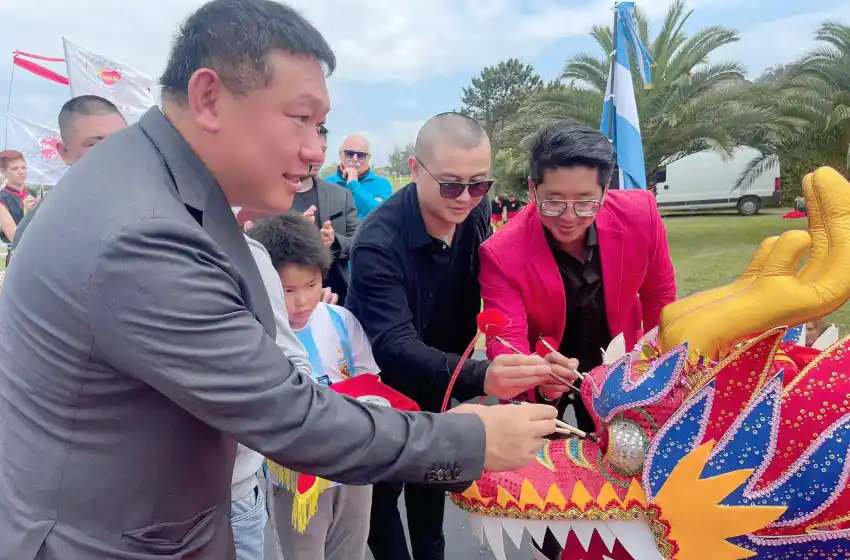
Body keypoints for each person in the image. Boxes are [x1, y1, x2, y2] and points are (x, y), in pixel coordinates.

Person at [0, 2, 557, 558]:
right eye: (300, 119)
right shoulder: (142, 232)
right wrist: (472, 439)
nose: (316, 152)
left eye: (322, 127)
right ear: (210, 98)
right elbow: (291, 418)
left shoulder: (156, 188)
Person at [346, 112, 557, 560]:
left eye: (479, 184)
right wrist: (482, 377)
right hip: (383, 393)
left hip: (443, 386)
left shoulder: (476, 213)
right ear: (415, 168)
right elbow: (394, 347)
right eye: (451, 185)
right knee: (382, 507)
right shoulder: (376, 244)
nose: (465, 198)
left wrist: (530, 354)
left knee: (431, 503)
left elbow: (502, 284)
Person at [478, 121, 677, 559]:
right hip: (549, 375)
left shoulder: (641, 213)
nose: (569, 217)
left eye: (586, 202)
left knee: (634, 482)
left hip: (623, 369)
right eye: (553, 202)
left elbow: (661, 299)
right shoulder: (502, 251)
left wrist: (658, 367)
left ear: (605, 191)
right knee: (547, 494)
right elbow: (506, 343)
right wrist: (535, 374)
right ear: (532, 189)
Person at [249, 213, 376, 560]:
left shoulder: (339, 320)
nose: (302, 301)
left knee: (350, 550)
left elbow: (370, 381)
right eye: (287, 290)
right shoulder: (258, 334)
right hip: (295, 475)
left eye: (311, 285)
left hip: (353, 467)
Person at [11, 95, 128, 255]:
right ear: (65, 152)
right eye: (95, 144)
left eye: (122, 139)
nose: (114, 151)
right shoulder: (43, 223)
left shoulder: (158, 198)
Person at [291, 124, 359, 304]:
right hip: (291, 304)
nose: (318, 156)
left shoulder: (340, 195)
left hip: (339, 299)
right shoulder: (269, 197)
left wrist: (334, 241)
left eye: (323, 150)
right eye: (312, 149)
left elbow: (358, 242)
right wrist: (293, 235)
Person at [326, 134, 393, 219]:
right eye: (349, 153)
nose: (355, 159)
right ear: (340, 154)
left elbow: (383, 214)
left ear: (368, 157)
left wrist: (354, 185)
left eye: (361, 155)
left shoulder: (383, 184)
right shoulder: (326, 184)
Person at [0, 150, 37, 254]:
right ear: (3, 171)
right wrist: (27, 213)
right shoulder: (2, 199)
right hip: (19, 256)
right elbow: (15, 238)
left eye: (23, 167)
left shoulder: (33, 192)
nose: (21, 171)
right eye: (15, 168)